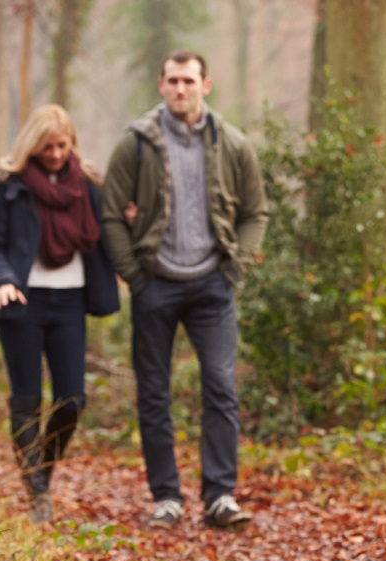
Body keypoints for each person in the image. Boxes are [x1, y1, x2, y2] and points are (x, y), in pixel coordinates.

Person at [101, 50, 268, 531]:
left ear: (205, 85)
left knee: (221, 386)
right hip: (155, 285)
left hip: (213, 286)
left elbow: (256, 212)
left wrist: (236, 266)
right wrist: (135, 275)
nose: (180, 89)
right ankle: (167, 498)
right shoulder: (135, 143)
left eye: (188, 81)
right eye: (172, 81)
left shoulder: (232, 143)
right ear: (161, 85)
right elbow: (111, 214)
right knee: (154, 393)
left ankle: (219, 496)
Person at [0, 104, 121, 524]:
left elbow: (105, 234)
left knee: (72, 400)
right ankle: (37, 494)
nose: (56, 154)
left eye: (62, 145)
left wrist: (127, 223)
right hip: (21, 301)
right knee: (27, 399)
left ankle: (41, 471)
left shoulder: (87, 185)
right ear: (32, 145)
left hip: (71, 300)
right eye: (48, 147)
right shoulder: (9, 187)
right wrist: (2, 279)